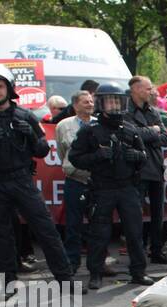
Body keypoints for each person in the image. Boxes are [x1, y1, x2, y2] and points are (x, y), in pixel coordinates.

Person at [0, 63, 74, 291]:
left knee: (45, 229)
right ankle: (7, 284)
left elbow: (42, 150)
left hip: (22, 179)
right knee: (1, 234)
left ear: (8, 88)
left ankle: (65, 278)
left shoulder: (24, 115)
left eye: (1, 86)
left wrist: (30, 135)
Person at [70, 81, 153, 289]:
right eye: (110, 101)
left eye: (117, 101)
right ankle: (95, 273)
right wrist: (96, 156)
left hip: (128, 188)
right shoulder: (90, 130)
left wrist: (136, 156)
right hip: (102, 188)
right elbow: (75, 157)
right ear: (101, 104)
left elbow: (144, 156)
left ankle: (139, 271)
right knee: (99, 233)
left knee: (134, 232)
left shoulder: (130, 129)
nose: (114, 105)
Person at [126, 75, 167, 266]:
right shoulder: (125, 112)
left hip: (155, 167)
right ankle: (137, 257)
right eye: (148, 89)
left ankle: (157, 251)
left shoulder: (154, 112)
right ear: (137, 89)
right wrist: (152, 131)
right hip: (135, 169)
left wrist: (148, 133)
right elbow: (130, 135)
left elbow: (165, 138)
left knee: (158, 214)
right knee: (135, 216)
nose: (152, 92)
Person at [55, 90, 94, 275]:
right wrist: (72, 168)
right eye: (85, 101)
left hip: (97, 182)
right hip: (75, 180)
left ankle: (98, 263)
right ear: (75, 105)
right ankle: (72, 262)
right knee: (73, 224)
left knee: (98, 225)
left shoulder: (98, 124)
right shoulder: (63, 126)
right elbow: (63, 152)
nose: (90, 104)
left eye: (91, 101)